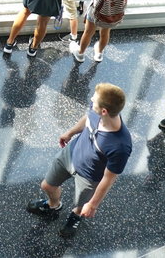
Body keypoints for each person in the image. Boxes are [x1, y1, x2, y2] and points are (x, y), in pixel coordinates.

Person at [26, 83, 133, 239]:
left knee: (79, 206)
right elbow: (88, 117)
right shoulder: (97, 110)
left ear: (104, 111)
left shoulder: (120, 146)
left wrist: (93, 204)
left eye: (94, 100)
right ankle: (53, 205)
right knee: (47, 185)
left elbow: (109, 178)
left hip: (89, 176)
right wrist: (70, 132)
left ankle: (74, 218)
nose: (91, 99)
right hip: (70, 154)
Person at [69, 0, 127, 64]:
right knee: (105, 34)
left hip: (95, 14)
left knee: (88, 33)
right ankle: (99, 53)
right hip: (110, 15)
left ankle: (80, 54)